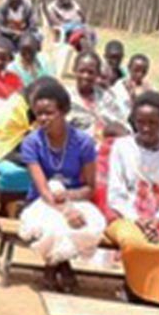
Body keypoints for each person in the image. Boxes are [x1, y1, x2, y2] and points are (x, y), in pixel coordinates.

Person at [106, 91, 159, 309]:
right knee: (134, 242)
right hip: (125, 213)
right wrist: (138, 219)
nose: (146, 128)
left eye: (153, 123)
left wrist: (157, 220)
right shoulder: (122, 147)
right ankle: (134, 289)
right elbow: (115, 193)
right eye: (140, 122)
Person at [17, 79, 104, 293]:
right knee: (54, 225)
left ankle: (55, 265)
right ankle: (58, 267)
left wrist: (70, 199)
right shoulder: (31, 142)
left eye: (49, 113)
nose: (43, 119)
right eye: (39, 114)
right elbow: (44, 190)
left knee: (86, 225)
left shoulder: (84, 143)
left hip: (76, 199)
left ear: (64, 111)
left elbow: (90, 187)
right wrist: (66, 210)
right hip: (42, 201)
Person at [66, 52, 127, 143]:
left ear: (97, 74)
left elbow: (121, 123)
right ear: (75, 70)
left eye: (90, 72)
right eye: (82, 71)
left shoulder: (106, 98)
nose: (85, 76)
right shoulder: (66, 98)